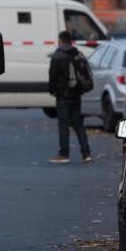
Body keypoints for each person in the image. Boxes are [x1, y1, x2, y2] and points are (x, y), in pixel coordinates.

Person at [48, 31, 92, 164]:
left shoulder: (58, 56)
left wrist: (53, 91)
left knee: (63, 125)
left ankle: (64, 154)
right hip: (76, 94)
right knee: (78, 124)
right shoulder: (78, 54)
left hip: (63, 96)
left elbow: (53, 76)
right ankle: (86, 153)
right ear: (71, 41)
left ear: (61, 40)